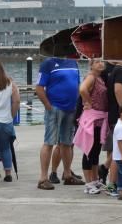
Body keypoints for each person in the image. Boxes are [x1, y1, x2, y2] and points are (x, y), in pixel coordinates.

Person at [37, 55, 82, 190]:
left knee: (67, 143)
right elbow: (39, 88)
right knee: (49, 142)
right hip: (55, 107)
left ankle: (67, 174)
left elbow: (78, 84)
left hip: (71, 108)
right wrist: (48, 106)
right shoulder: (48, 63)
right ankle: (43, 178)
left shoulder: (74, 63)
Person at [75, 59, 109, 195]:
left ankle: (94, 180)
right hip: (93, 118)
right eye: (97, 62)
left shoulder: (100, 78)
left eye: (102, 62)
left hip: (100, 119)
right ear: (91, 65)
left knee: (95, 151)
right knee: (89, 151)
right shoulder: (91, 77)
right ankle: (88, 183)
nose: (100, 64)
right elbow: (82, 89)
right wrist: (88, 101)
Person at [100, 60, 122, 191]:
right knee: (119, 152)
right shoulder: (121, 71)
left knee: (116, 150)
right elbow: (118, 90)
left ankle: (113, 179)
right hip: (119, 116)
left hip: (114, 115)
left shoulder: (115, 70)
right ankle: (113, 183)